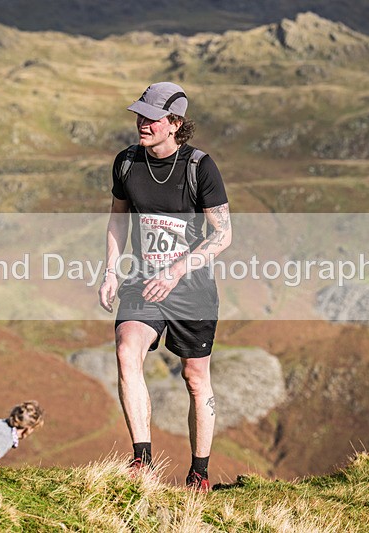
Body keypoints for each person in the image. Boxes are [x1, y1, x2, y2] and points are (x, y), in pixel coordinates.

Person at [98, 82, 232, 492]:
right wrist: (110, 271)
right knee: (126, 351)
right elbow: (118, 219)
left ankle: (199, 473)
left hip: (191, 288)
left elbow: (223, 234)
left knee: (195, 378)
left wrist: (175, 271)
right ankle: (143, 461)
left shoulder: (199, 166)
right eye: (140, 115)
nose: (142, 123)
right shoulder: (125, 163)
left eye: (152, 118)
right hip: (141, 280)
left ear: (174, 123)